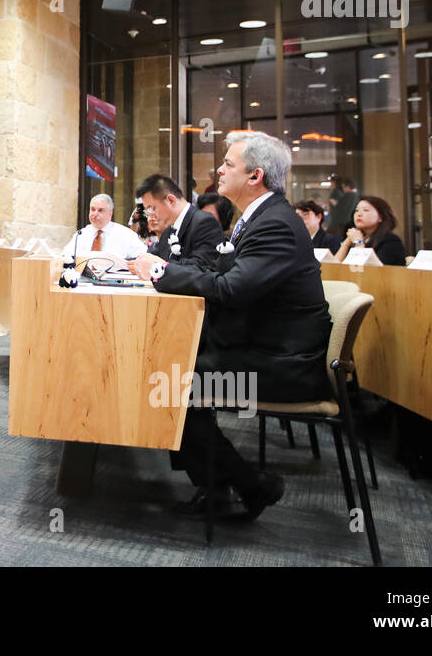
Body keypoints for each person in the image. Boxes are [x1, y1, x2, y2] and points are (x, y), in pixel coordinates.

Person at [128, 131, 331, 522]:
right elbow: (217, 270)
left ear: (255, 176)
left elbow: (231, 288)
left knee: (166, 383)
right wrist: (165, 270)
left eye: (228, 164)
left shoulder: (275, 224)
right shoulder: (260, 218)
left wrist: (159, 271)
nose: (219, 170)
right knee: (168, 369)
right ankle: (222, 484)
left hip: (282, 366)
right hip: (262, 350)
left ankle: (245, 485)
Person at [137, 173, 223, 269]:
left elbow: (202, 267)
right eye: (147, 211)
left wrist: (163, 266)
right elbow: (152, 256)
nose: (151, 215)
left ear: (170, 200)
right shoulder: (168, 230)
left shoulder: (204, 222)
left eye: (152, 208)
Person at [63, 193, 146, 267]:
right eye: (92, 209)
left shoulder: (126, 235)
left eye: (100, 210)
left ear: (110, 213)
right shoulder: (81, 234)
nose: (95, 214)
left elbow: (143, 257)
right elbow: (66, 256)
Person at [335, 196, 406, 266]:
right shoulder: (357, 238)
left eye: (365, 210)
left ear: (380, 217)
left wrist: (359, 243)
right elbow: (333, 269)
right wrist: (346, 244)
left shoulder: (391, 241)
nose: (359, 214)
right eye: (356, 210)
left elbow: (371, 272)